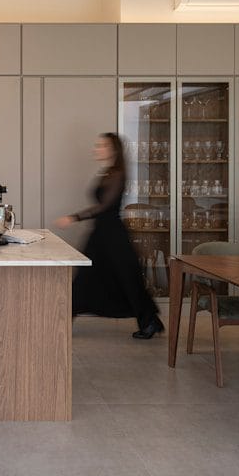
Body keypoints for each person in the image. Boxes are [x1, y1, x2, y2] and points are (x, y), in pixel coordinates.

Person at [55, 132, 163, 339]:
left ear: (113, 149)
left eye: (102, 146)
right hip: (102, 233)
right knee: (87, 278)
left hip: (113, 235)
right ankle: (63, 318)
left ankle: (150, 321)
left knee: (127, 279)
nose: (97, 149)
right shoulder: (108, 172)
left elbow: (105, 207)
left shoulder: (117, 174)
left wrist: (73, 217)